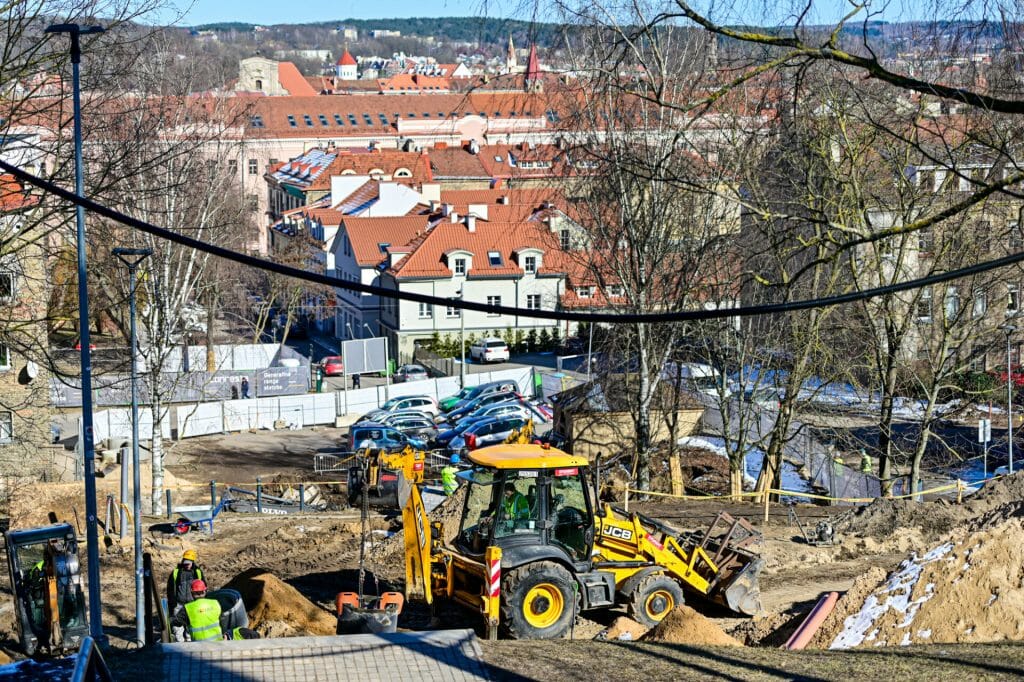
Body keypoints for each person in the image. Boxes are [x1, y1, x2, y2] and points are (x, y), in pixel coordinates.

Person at [167, 550, 205, 640]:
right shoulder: (176, 572)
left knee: (191, 625)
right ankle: (179, 642)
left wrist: (200, 602)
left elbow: (203, 587)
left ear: (193, 562)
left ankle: (189, 641)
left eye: (189, 563)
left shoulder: (198, 573)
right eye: (185, 563)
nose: (187, 565)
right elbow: (170, 589)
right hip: (179, 604)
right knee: (177, 626)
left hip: (192, 604)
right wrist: (172, 604)